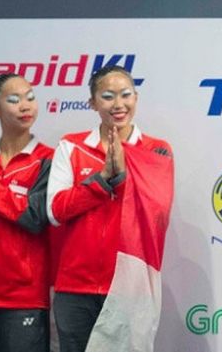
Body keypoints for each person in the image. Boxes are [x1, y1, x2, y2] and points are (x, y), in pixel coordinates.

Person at [47, 65, 172, 352]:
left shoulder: (157, 150)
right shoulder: (72, 146)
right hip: (76, 287)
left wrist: (124, 177)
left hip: (130, 287)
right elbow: (55, 211)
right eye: (107, 96)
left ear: (136, 98)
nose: (118, 104)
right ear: (92, 103)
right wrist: (102, 180)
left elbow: (157, 213)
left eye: (126, 94)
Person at [0, 73, 53, 352]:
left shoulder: (49, 159)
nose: (25, 106)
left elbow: (34, 218)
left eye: (30, 97)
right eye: (14, 100)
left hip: (22, 298)